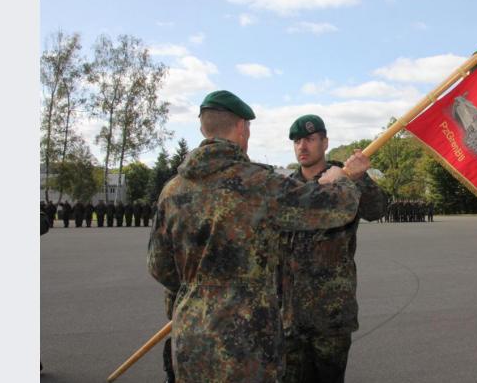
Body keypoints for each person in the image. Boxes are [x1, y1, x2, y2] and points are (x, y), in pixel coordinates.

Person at [148, 91, 365, 383]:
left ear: (202, 128)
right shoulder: (259, 184)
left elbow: (159, 267)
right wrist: (343, 179)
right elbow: (337, 208)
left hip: (191, 335)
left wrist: (202, 290)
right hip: (247, 336)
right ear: (242, 127)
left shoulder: (172, 190)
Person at [280, 115, 387, 383]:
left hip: (332, 312)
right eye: (297, 141)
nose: (302, 146)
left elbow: (377, 210)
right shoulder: (286, 188)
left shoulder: (346, 178)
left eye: (309, 139)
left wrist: (359, 178)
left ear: (325, 143)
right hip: (290, 314)